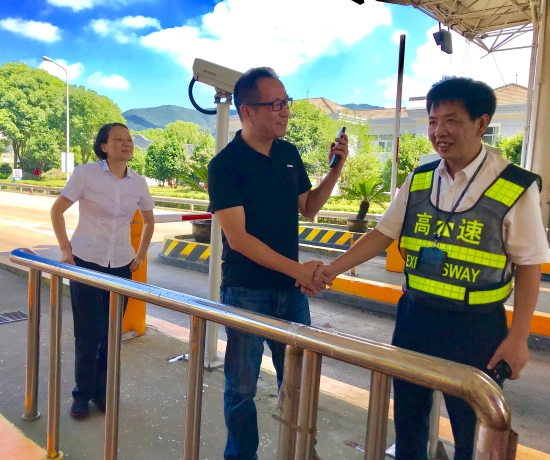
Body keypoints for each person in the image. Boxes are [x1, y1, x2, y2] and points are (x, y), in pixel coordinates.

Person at [310, 77, 550, 460]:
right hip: (415, 318)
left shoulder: (513, 186)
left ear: (481, 123)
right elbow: (383, 234)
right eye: (434, 121)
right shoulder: (420, 179)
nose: (439, 132)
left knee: (473, 432)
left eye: (452, 120)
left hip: (476, 328)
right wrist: (332, 269)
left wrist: (519, 337)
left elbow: (529, 264)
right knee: (409, 423)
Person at [207, 67, 349, 460]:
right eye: (275, 104)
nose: (284, 110)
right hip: (246, 292)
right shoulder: (225, 165)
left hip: (290, 293)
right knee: (241, 389)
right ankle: (242, 456)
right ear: (247, 111)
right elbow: (239, 239)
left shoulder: (288, 154)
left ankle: (301, 452)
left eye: (286, 102)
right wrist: (299, 271)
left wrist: (335, 169)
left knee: (299, 384)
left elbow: (309, 207)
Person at [50, 122, 155, 419]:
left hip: (121, 265)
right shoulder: (86, 174)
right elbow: (57, 210)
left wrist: (141, 253)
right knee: (87, 333)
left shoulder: (138, 182)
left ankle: (102, 392)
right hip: (86, 261)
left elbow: (149, 221)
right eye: (119, 139)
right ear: (104, 146)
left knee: (111, 335)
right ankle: (81, 395)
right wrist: (66, 250)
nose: (127, 144)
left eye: (129, 139)